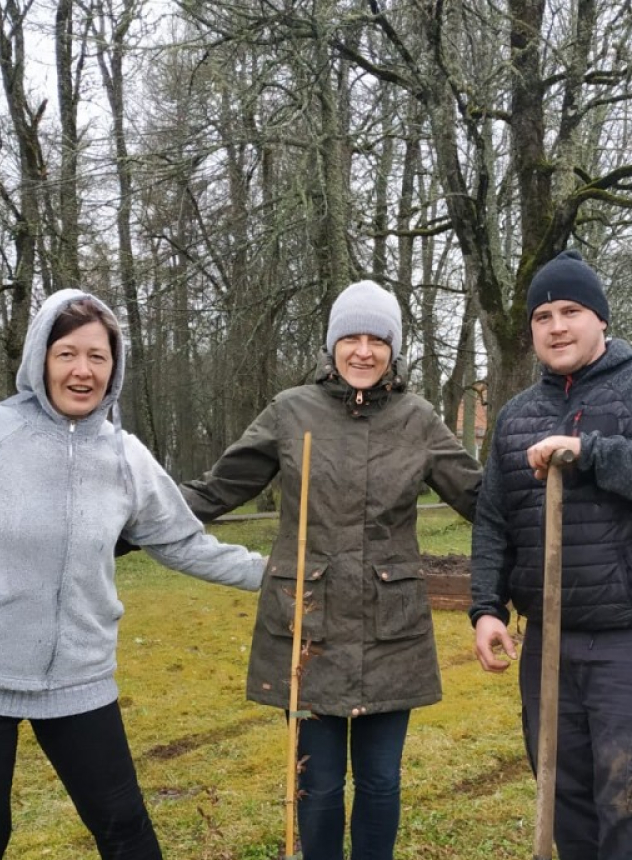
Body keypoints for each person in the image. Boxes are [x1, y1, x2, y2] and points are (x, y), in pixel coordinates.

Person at [0, 289, 266, 860]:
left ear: (114, 368)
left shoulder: (126, 458)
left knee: (127, 833)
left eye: (98, 357)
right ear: (40, 360)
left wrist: (278, 575)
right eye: (67, 353)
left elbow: (184, 544)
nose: (83, 370)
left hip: (80, 679)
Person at [180, 280, 481, 860]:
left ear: (393, 349)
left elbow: (481, 500)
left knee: (380, 782)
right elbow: (219, 489)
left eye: (377, 339)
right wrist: (128, 520)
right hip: (306, 632)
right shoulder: (291, 412)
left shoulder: (418, 420)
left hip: (391, 632)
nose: (363, 351)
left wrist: (553, 494)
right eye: (351, 337)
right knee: (316, 786)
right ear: (332, 346)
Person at [470, 250, 632, 860]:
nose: (556, 326)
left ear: (601, 319)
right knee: (567, 811)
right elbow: (493, 520)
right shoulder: (515, 417)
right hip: (549, 648)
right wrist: (486, 607)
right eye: (542, 316)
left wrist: (592, 454)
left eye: (572, 311)